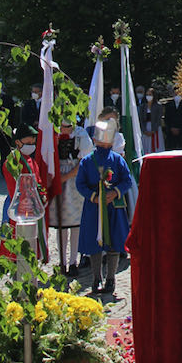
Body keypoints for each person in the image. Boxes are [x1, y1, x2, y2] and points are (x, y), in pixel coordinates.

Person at [75, 110, 134, 296]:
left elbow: (127, 180)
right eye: (101, 139)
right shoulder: (86, 161)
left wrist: (115, 192)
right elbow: (80, 183)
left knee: (114, 242)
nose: (104, 143)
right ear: (95, 140)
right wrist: (93, 196)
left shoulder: (117, 160)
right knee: (95, 241)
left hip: (113, 207)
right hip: (94, 206)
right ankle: (95, 277)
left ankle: (111, 278)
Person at [0, 122, 49, 262]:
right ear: (18, 142)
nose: (31, 144)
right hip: (18, 207)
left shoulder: (32, 161)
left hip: (32, 207)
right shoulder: (12, 161)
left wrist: (42, 196)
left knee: (31, 242)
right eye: (28, 141)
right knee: (15, 244)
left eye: (33, 141)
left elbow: (38, 182)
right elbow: (13, 187)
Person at [49, 119, 93, 274]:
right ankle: (62, 261)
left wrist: (66, 176)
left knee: (75, 223)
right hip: (57, 176)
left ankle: (74, 260)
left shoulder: (81, 135)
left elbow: (84, 161)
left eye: (67, 127)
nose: (64, 130)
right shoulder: (52, 134)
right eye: (62, 127)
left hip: (75, 179)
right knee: (61, 225)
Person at [162, 86, 182, 151]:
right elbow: (166, 118)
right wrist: (171, 128)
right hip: (171, 133)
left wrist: (180, 129)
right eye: (176, 90)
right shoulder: (168, 104)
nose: (177, 92)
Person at [138, 86, 164, 155]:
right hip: (145, 129)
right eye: (147, 95)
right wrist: (144, 130)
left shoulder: (158, 106)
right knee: (145, 147)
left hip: (155, 129)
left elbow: (159, 119)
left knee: (156, 147)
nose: (148, 96)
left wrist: (153, 130)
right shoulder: (142, 106)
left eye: (150, 95)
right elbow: (141, 119)